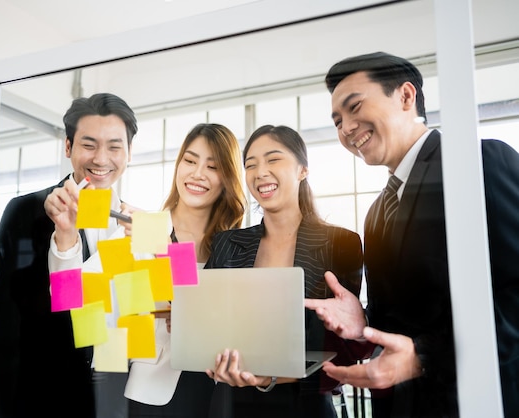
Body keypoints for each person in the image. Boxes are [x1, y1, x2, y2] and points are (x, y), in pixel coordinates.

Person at [304, 51, 519, 417]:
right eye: (338, 120)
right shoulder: (376, 212)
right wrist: (364, 324)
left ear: (406, 96)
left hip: (475, 402)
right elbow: (405, 318)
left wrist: (421, 357)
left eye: (355, 107)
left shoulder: (478, 163)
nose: (346, 128)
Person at [0, 92, 138, 418]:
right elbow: (3, 329)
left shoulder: (136, 224)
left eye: (114, 146)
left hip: (117, 399)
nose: (101, 158)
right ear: (68, 147)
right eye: (88, 144)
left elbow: (138, 323)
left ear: (129, 152)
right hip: (44, 400)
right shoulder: (26, 211)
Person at [205, 124, 363, 418]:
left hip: (304, 404)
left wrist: (272, 377)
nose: (260, 172)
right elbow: (205, 324)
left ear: (303, 169)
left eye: (273, 159)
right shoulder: (228, 243)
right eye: (250, 165)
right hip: (230, 402)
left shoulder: (340, 243)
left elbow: (344, 347)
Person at [124, 123, 246, 417]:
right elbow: (84, 308)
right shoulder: (140, 230)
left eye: (213, 166)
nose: (197, 173)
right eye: (190, 161)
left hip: (222, 394)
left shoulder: (237, 246)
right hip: (155, 394)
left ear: (227, 177)